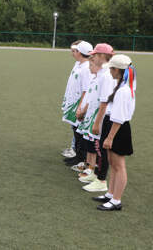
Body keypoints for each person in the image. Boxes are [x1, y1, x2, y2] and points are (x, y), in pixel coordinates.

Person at [95, 54, 136, 211]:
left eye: (111, 68)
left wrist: (110, 137)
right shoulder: (121, 85)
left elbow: (119, 117)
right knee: (113, 163)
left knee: (119, 165)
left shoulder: (124, 90)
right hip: (113, 125)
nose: (110, 72)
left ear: (117, 70)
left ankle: (116, 200)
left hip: (117, 128)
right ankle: (111, 194)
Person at [82, 43, 115, 193]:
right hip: (97, 116)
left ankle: (101, 180)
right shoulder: (102, 73)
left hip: (102, 118)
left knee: (100, 149)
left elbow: (104, 101)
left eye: (95, 54)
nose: (92, 57)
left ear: (102, 56)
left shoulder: (107, 75)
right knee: (97, 146)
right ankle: (95, 175)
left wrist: (97, 122)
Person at [61, 40, 93, 167]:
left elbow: (86, 90)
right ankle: (78, 155)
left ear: (80, 52)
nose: (72, 54)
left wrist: (80, 107)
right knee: (75, 129)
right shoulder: (79, 64)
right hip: (73, 102)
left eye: (75, 51)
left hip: (78, 104)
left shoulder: (86, 68)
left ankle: (81, 157)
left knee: (79, 130)